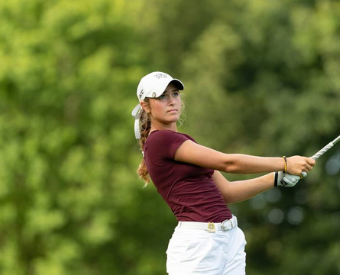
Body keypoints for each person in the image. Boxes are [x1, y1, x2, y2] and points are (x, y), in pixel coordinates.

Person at [131, 71, 316, 275]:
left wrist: (275, 178)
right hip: (198, 247)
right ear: (145, 105)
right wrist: (284, 163)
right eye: (162, 96)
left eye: (174, 94)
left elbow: (226, 192)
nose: (171, 101)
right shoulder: (160, 141)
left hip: (229, 240)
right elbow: (228, 163)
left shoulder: (183, 141)